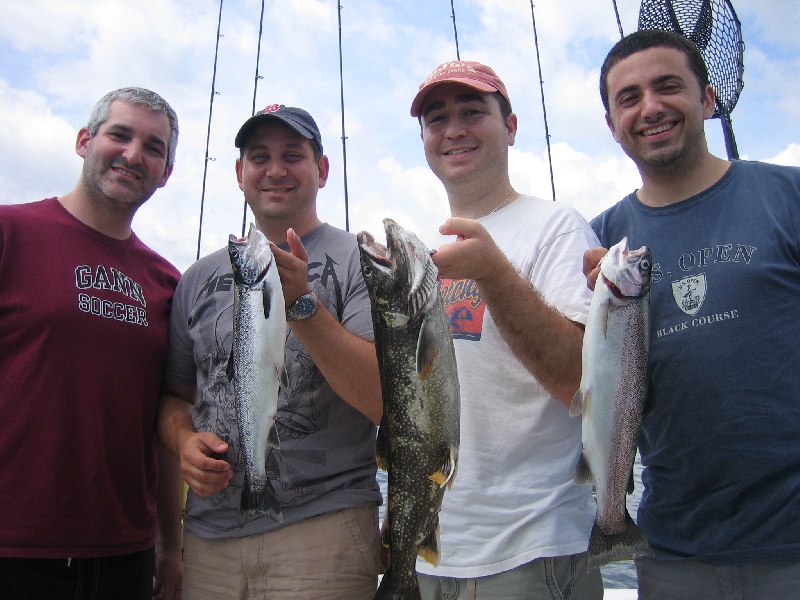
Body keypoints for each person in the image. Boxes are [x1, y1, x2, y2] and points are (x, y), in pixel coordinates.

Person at [586, 29, 800, 599]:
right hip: (672, 550)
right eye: (628, 98)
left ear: (707, 99)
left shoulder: (787, 196)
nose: (650, 107)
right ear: (612, 124)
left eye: (668, 87)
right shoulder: (600, 239)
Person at [157, 104, 383, 599]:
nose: (275, 170)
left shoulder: (361, 262)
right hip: (208, 540)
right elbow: (175, 397)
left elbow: (380, 401)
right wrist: (184, 443)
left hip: (323, 531)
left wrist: (303, 304)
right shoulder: (195, 279)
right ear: (240, 174)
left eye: (292, 155)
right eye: (259, 157)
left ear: (322, 170)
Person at [407, 60, 604, 599]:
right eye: (436, 118)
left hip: (532, 551)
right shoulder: (427, 255)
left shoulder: (557, 226)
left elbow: (581, 382)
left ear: (511, 128)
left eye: (473, 112)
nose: (453, 130)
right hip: (433, 553)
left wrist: (494, 273)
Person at [0, 88, 183, 599]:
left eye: (154, 147)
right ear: (85, 140)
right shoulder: (10, 232)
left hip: (124, 555)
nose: (132, 155)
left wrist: (171, 542)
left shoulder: (168, 283)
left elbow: (166, 421)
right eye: (119, 135)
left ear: (166, 172)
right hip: (11, 549)